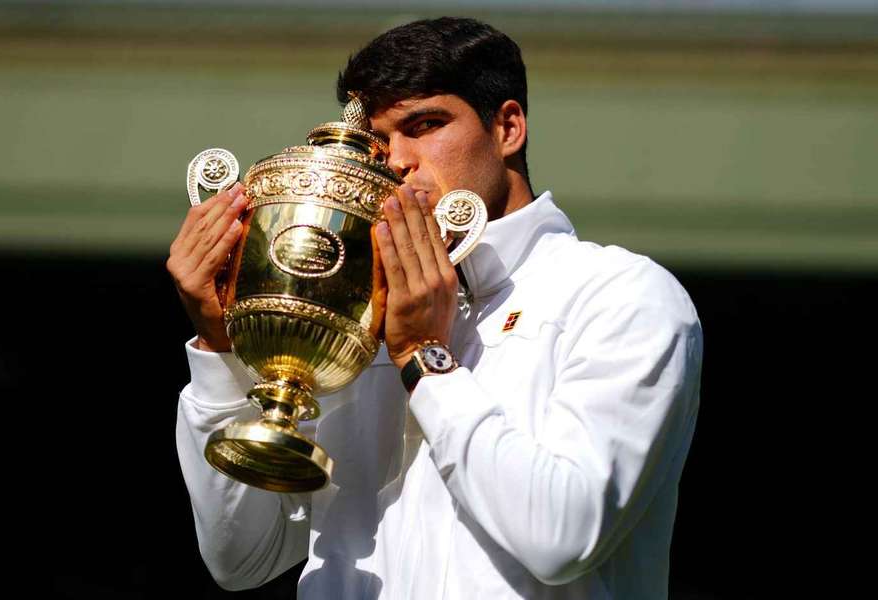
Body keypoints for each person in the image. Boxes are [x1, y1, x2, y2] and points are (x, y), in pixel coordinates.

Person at [168, 17, 702, 600]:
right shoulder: (352, 314)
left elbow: (564, 536)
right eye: (379, 142)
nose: (395, 162)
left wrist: (425, 358)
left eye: (424, 125)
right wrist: (222, 349)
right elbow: (241, 558)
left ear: (508, 127)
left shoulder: (620, 294)